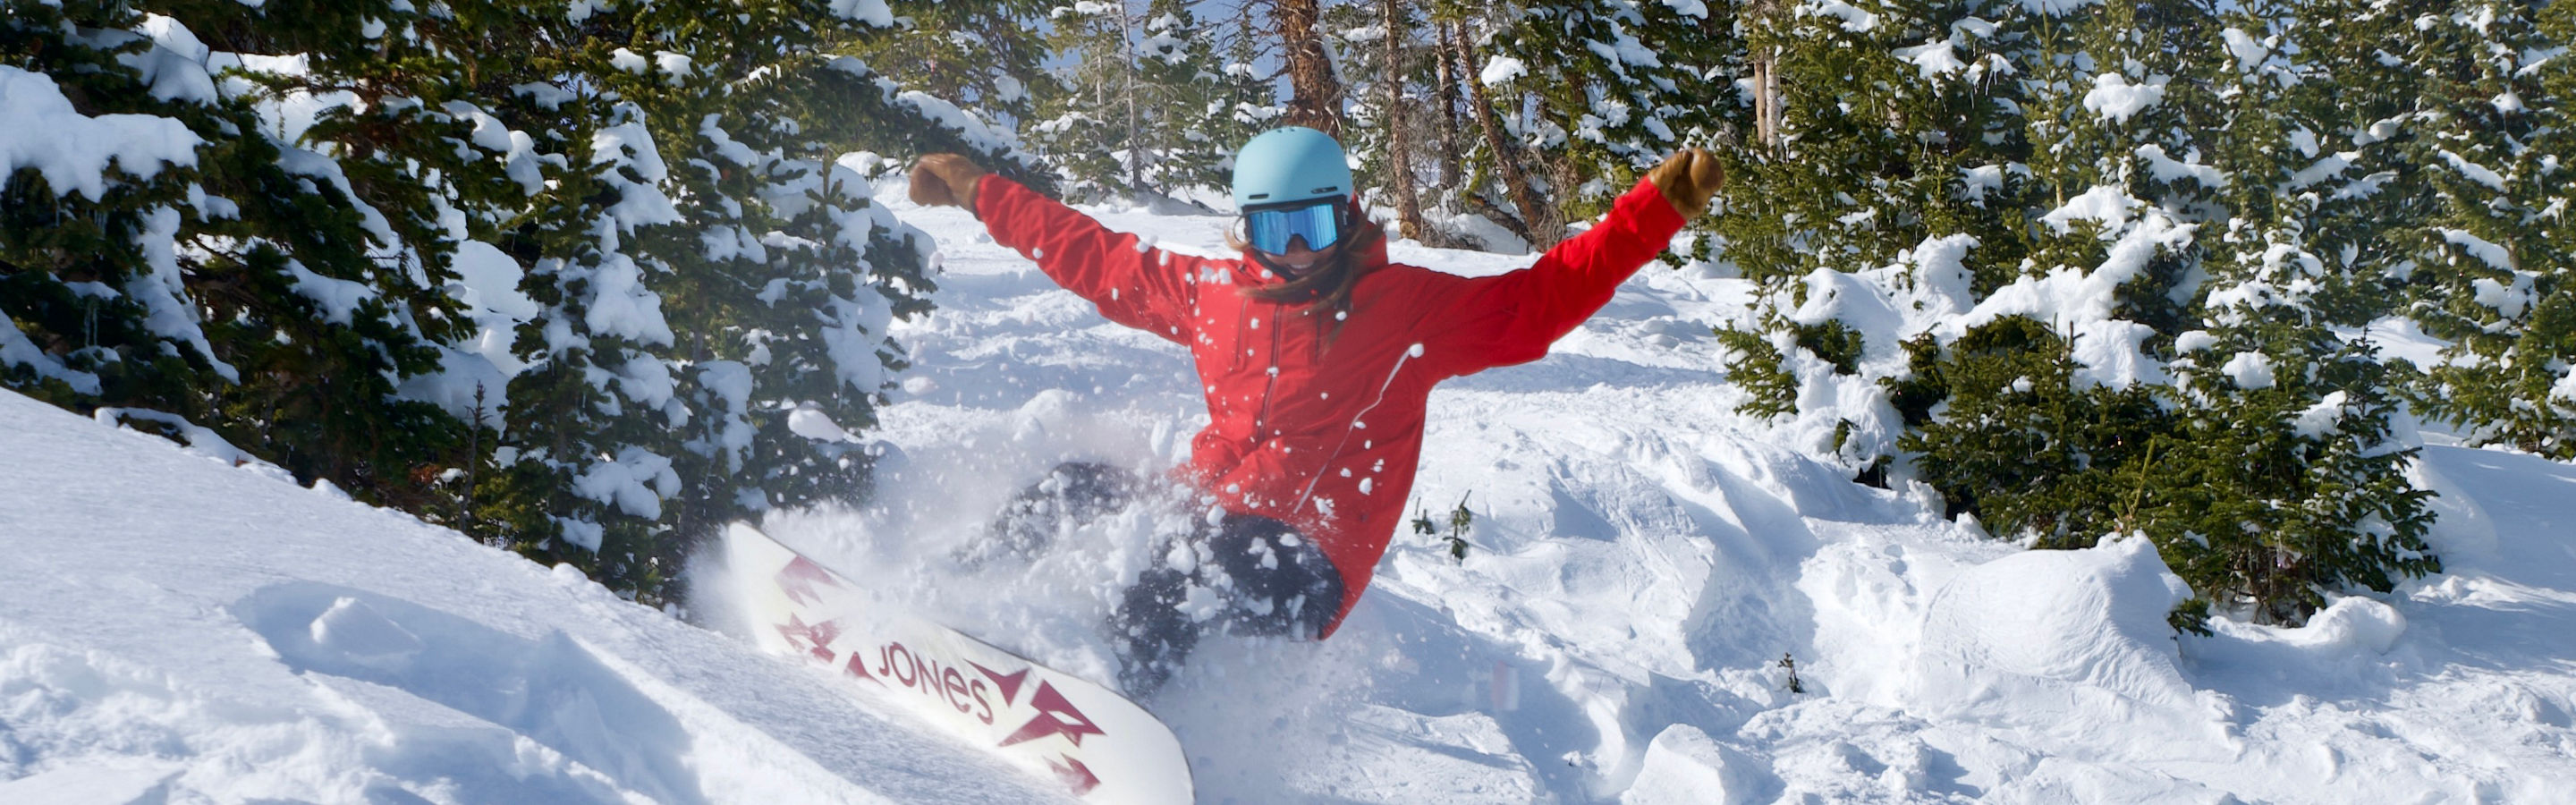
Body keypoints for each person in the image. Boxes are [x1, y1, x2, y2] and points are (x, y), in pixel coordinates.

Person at [909, 127, 1722, 693]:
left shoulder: (1403, 310)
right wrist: (980, 191)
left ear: (1348, 212)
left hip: (1312, 559)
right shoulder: (1212, 295)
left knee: (1182, 575)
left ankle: (1102, 715)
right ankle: (942, 610)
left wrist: (1651, 213)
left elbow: (1540, 301)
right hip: (1208, 507)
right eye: (1278, 226)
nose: (1299, 249)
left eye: (1315, 223)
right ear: (1247, 227)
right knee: (1076, 487)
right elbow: (1094, 256)